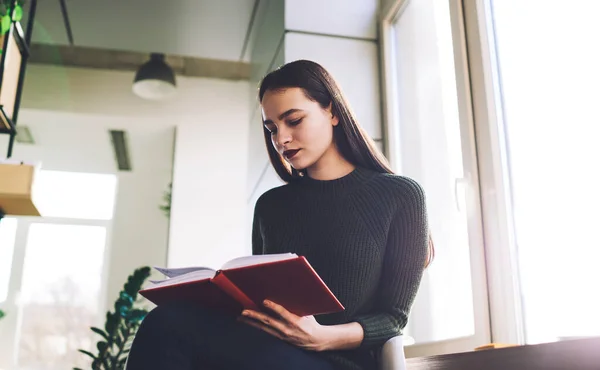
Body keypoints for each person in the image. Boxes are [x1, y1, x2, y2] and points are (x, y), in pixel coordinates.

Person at [126, 59, 433, 370]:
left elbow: (393, 317)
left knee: (173, 327)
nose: (280, 139)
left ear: (333, 112)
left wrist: (322, 337)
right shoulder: (270, 206)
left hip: (340, 361)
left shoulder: (401, 195)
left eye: (294, 121)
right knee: (167, 320)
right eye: (272, 128)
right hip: (268, 352)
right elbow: (263, 303)